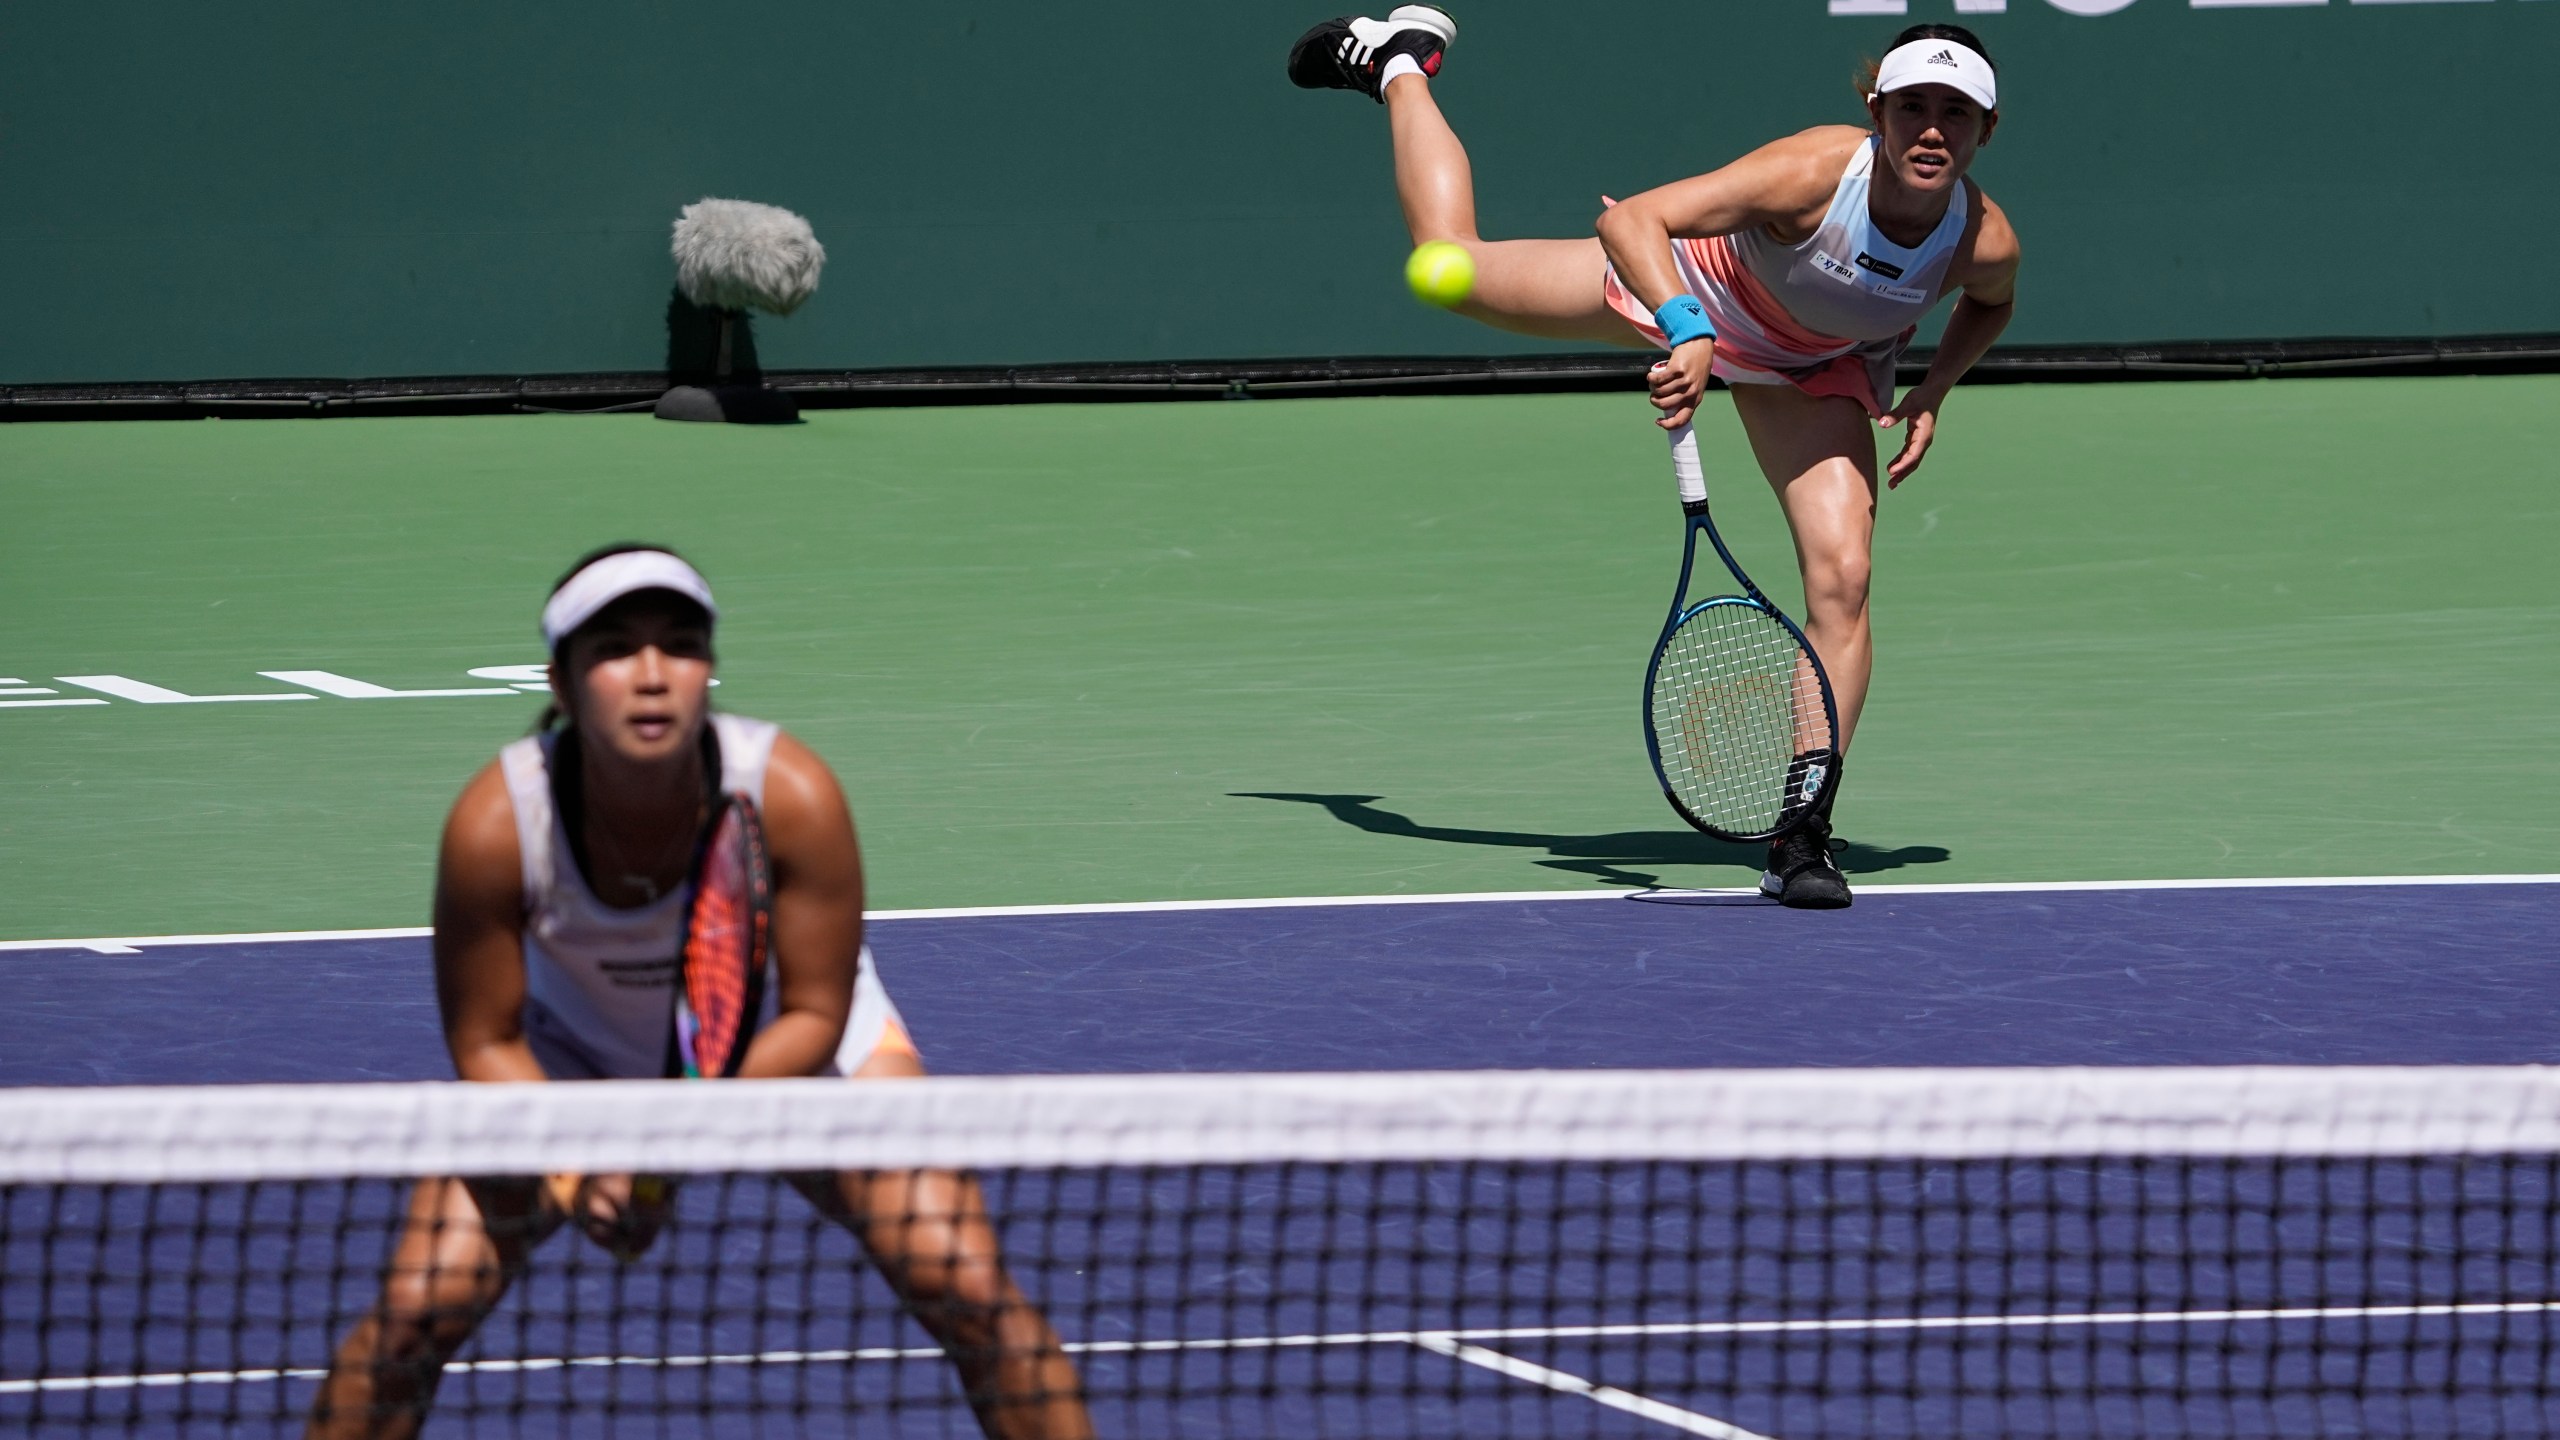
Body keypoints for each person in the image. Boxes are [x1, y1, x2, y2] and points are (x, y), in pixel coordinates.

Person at [309, 544, 1092, 1439]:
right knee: (412, 1317)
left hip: (783, 1046)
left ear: (708, 670)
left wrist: (674, 1137)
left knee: (972, 1290)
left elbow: (814, 1014)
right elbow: (487, 1043)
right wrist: (576, 1162)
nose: (651, 676)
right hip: (567, 1058)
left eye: (680, 645)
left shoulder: (789, 794)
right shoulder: (496, 825)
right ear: (561, 684)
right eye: (614, 650)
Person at [1289, 12, 2021, 908]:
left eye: (1958, 111)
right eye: (1914, 107)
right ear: (1878, 111)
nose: (1934, 129)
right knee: (1451, 264)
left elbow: (1991, 303)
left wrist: (1935, 388)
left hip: (1813, 369)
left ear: (1989, 128)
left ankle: (1801, 832)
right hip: (1692, 290)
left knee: (1845, 578)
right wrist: (1687, 326)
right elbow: (1637, 219)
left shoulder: (1982, 238)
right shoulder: (1808, 174)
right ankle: (1400, 63)